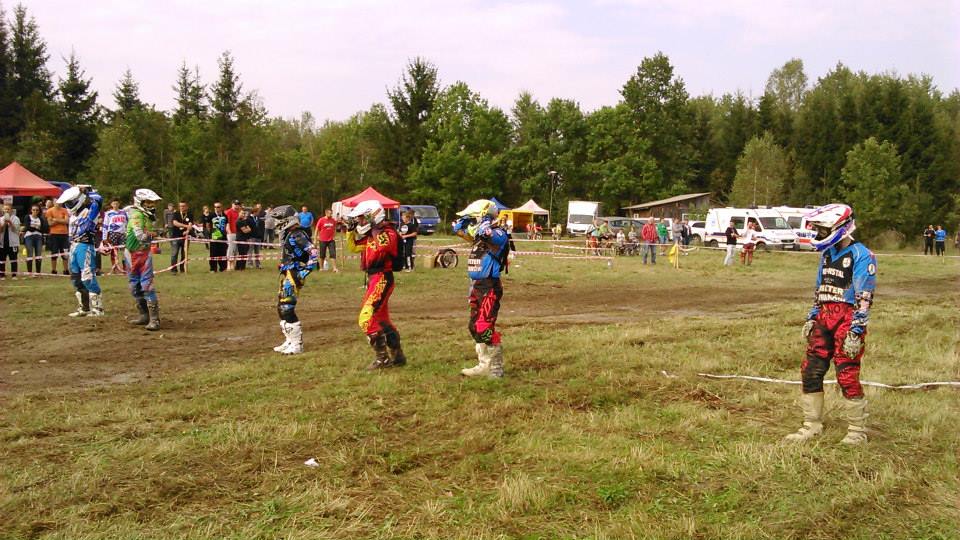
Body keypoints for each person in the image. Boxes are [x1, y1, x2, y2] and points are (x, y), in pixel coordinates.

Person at [785, 203, 876, 445]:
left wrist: (856, 330)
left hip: (847, 318)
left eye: (823, 229)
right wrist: (813, 315)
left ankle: (857, 430)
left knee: (846, 373)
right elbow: (820, 287)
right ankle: (812, 424)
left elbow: (864, 296)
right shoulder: (826, 254)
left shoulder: (861, 255)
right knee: (811, 370)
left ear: (840, 227)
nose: (820, 233)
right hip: (824, 317)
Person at [345, 199, 406, 370]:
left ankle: (382, 359)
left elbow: (384, 246)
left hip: (382, 277)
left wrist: (373, 228)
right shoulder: (372, 234)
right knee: (381, 319)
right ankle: (397, 355)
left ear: (372, 216)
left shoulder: (387, 232)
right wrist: (350, 231)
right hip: (374, 278)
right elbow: (354, 247)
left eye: (362, 218)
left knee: (366, 318)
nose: (359, 221)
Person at [452, 199, 509, 378]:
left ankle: (496, 368)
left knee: (484, 326)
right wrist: (466, 219)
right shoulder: (478, 236)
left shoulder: (499, 233)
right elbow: (459, 230)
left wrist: (484, 220)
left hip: (489, 285)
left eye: (474, 217)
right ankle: (484, 364)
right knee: (474, 326)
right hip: (476, 285)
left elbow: (487, 232)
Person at [270, 205, 319, 355]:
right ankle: (290, 340)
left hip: (294, 273)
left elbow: (313, 252)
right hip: (287, 272)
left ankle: (297, 344)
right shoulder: (290, 233)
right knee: (281, 307)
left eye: (279, 219)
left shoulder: (297, 234)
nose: (277, 223)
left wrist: (305, 271)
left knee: (287, 307)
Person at [56, 185, 104, 316]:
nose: (69, 205)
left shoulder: (90, 211)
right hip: (74, 246)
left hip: (85, 246)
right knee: (76, 278)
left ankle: (97, 308)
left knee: (87, 276)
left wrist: (87, 190)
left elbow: (99, 200)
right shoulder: (72, 214)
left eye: (71, 202)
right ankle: (84, 308)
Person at [125, 188, 163, 331]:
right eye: (148, 202)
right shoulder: (137, 215)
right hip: (132, 253)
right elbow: (140, 236)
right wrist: (155, 234)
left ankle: (154, 319)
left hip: (143, 254)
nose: (152, 205)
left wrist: (154, 233)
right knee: (134, 286)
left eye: (153, 203)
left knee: (147, 285)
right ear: (140, 202)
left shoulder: (146, 216)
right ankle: (144, 315)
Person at [101, 198, 128, 274]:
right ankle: (115, 267)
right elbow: (105, 225)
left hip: (122, 233)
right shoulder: (108, 213)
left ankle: (125, 267)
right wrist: (104, 237)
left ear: (119, 204)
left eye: (117, 203)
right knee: (114, 251)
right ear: (111, 205)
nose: (115, 205)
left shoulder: (123, 212)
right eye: (114, 204)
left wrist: (127, 232)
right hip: (113, 233)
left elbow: (127, 223)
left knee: (124, 251)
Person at [21, 205, 48, 276]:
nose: (35, 211)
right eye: (33, 210)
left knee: (38, 255)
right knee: (29, 254)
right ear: (31, 210)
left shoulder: (41, 219)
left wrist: (34, 227)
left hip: (39, 237)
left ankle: (38, 273)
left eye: (37, 210)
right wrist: (37, 228)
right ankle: (30, 273)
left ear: (39, 211)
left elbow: (44, 229)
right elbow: (27, 227)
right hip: (29, 236)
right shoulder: (27, 217)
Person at [45, 200, 70, 274]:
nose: (58, 204)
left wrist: (55, 219)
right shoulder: (49, 211)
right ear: (54, 203)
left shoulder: (65, 210)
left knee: (65, 252)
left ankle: (66, 270)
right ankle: (54, 270)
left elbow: (66, 221)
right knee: (54, 252)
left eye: (60, 202)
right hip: (54, 234)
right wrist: (61, 220)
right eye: (57, 202)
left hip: (64, 234)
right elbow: (50, 223)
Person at [170, 201, 194, 274]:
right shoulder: (176, 214)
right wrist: (186, 226)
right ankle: (173, 269)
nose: (182, 207)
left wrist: (187, 231)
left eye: (183, 206)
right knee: (174, 254)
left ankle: (182, 269)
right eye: (180, 206)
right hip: (176, 237)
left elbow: (190, 224)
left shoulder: (190, 214)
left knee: (184, 254)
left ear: (187, 207)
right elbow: (175, 223)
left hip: (185, 238)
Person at [0, 204, 21, 280]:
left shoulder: (16, 218)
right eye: (5, 209)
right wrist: (4, 223)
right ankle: (2, 275)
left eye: (8, 209)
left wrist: (10, 222)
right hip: (2, 242)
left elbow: (16, 230)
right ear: (3, 210)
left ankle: (14, 275)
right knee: (2, 259)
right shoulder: (1, 219)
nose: (6, 210)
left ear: (11, 210)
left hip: (13, 243)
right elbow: (0, 230)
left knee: (13, 259)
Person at [314, 208, 339, 272]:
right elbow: (316, 229)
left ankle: (334, 268)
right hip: (322, 240)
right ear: (326, 213)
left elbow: (335, 228)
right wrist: (315, 239)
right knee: (322, 254)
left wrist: (334, 235)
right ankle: (321, 268)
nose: (331, 214)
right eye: (329, 213)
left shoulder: (333, 220)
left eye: (331, 213)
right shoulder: (321, 220)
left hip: (331, 240)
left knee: (333, 253)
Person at [206, 202, 228, 272]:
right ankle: (213, 269)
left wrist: (225, 232)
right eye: (215, 207)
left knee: (223, 252)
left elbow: (226, 225)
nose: (216, 208)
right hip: (214, 237)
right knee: (213, 253)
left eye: (218, 207)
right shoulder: (211, 215)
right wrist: (211, 233)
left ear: (221, 207)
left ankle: (223, 268)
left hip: (223, 237)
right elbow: (207, 225)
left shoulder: (224, 215)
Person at [225, 200, 241, 270]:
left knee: (236, 250)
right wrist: (229, 232)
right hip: (231, 233)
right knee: (231, 249)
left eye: (238, 204)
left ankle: (233, 264)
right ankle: (228, 264)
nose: (237, 206)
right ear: (232, 204)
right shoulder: (228, 212)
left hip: (238, 233)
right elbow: (227, 223)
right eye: (235, 204)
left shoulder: (238, 212)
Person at [250, 203, 265, 269]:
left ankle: (258, 264)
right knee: (250, 251)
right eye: (257, 212)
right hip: (251, 237)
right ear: (254, 212)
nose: (258, 213)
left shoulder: (258, 218)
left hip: (258, 237)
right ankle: (250, 263)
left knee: (257, 252)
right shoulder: (249, 218)